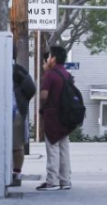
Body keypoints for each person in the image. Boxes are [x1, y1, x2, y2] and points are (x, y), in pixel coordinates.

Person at [36, 46, 73, 191]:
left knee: (52, 148)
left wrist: (43, 102)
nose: (48, 59)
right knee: (64, 149)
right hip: (66, 116)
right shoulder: (67, 74)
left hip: (52, 116)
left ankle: (52, 181)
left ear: (54, 58)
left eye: (49, 56)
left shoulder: (50, 75)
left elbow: (44, 95)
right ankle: (65, 180)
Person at [11, 46, 36, 187]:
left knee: (17, 146)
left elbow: (31, 89)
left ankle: (17, 173)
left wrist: (21, 102)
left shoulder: (18, 70)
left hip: (17, 114)